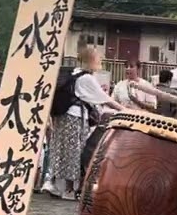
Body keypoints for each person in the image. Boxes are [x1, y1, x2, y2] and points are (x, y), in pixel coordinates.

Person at [43, 46, 122, 200]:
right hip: (74, 117)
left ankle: (54, 184)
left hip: (62, 115)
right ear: (92, 60)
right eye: (98, 58)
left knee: (60, 151)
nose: (100, 61)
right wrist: (125, 109)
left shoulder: (74, 73)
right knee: (75, 152)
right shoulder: (87, 78)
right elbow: (106, 100)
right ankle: (69, 190)